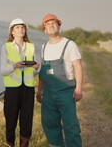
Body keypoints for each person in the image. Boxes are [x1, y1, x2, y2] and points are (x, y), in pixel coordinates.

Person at [36, 13, 83, 147]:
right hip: (49, 93)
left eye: (53, 23)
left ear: (59, 25)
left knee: (70, 126)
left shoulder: (69, 45)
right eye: (47, 24)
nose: (51, 26)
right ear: (44, 30)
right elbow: (43, 72)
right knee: (50, 124)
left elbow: (78, 66)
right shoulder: (44, 47)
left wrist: (78, 88)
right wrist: (39, 91)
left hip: (65, 92)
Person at [0, 18, 40, 147]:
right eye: (17, 27)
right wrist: (15, 66)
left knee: (26, 121)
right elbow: (2, 71)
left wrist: (36, 68)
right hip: (12, 89)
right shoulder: (5, 47)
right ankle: (10, 143)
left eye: (22, 27)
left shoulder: (31, 47)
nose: (21, 29)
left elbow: (36, 70)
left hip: (28, 89)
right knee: (10, 121)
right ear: (12, 32)